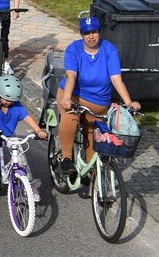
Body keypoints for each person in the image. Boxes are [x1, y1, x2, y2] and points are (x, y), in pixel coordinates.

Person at [56, 16, 141, 177]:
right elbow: (71, 76)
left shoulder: (109, 50)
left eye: (94, 32)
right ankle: (66, 157)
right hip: (74, 95)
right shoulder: (74, 49)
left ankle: (92, 173)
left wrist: (129, 103)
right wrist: (66, 98)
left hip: (99, 102)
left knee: (94, 133)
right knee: (70, 117)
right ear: (81, 34)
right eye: (87, 33)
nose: (91, 36)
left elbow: (116, 79)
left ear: (99, 32)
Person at [0, 74, 47, 209]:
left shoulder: (17, 106)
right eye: (6, 99)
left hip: (9, 135)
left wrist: (38, 130)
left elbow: (27, 117)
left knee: (22, 160)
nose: (9, 102)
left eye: (13, 100)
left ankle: (31, 186)